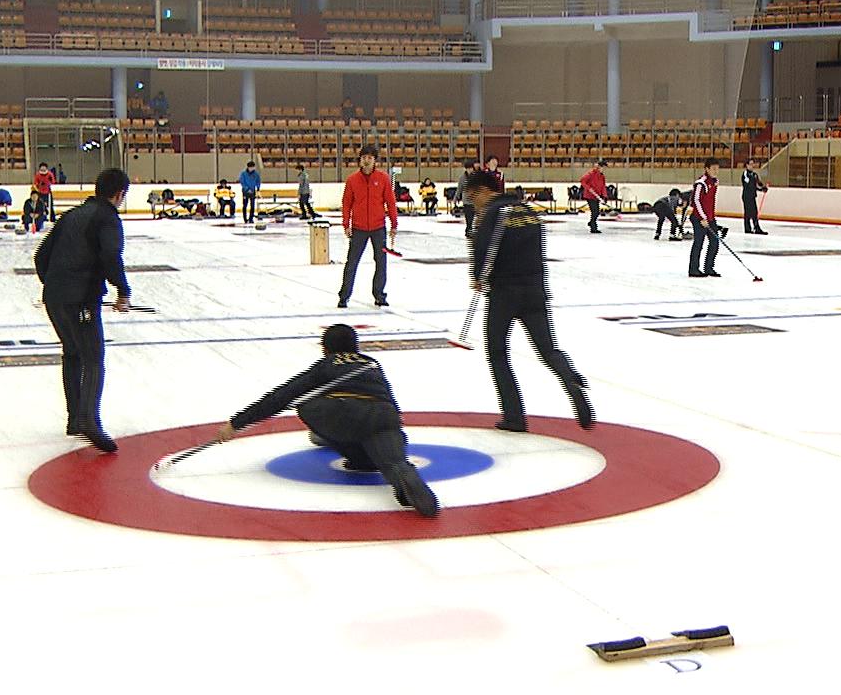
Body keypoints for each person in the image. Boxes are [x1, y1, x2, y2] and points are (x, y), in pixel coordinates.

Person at [213, 324, 438, 518]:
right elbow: (389, 397)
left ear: (325, 348)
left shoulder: (326, 365)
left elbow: (283, 396)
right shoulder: (371, 363)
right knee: (393, 461)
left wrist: (237, 423)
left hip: (342, 413)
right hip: (382, 415)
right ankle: (402, 476)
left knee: (306, 404)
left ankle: (339, 442)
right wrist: (394, 429)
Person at [464, 169, 594, 434]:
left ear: (482, 192)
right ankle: (571, 381)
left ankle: (514, 416)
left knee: (498, 353)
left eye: (472, 197)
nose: (472, 204)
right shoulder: (530, 212)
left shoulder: (492, 215)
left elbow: (484, 250)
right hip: (535, 291)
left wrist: (477, 276)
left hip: (504, 294)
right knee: (549, 350)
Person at [35, 167, 133, 454]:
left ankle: (75, 418)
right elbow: (110, 256)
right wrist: (123, 290)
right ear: (119, 194)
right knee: (92, 357)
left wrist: (55, 284)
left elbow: (41, 256)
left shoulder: (70, 216)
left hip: (55, 298)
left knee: (72, 352)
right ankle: (89, 419)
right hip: (80, 300)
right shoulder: (107, 219)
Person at [339, 144, 398, 309]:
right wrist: (346, 223)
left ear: (374, 161)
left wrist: (394, 224)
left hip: (378, 227)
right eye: (364, 158)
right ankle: (344, 296)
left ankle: (379, 295)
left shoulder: (383, 178)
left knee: (381, 261)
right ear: (360, 160)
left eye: (370, 158)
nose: (366, 161)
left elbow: (390, 202)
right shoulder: (352, 180)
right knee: (352, 262)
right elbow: (346, 204)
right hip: (358, 228)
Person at [688, 159, 722, 278]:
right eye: (713, 169)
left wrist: (710, 217)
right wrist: (702, 217)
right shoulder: (700, 183)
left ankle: (708, 267)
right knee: (699, 242)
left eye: (717, 169)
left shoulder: (715, 182)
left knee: (714, 242)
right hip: (698, 218)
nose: (716, 171)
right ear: (707, 169)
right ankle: (693, 269)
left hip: (710, 218)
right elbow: (696, 201)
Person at [579, 160, 609, 234]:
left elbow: (603, 187)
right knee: (595, 212)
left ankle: (591, 222)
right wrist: (588, 188)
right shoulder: (591, 173)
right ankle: (593, 227)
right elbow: (582, 181)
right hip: (590, 196)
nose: (604, 169)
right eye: (603, 168)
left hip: (597, 196)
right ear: (599, 167)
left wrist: (604, 196)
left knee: (597, 212)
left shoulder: (602, 176)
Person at [741, 159, 768, 235]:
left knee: (754, 212)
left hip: (752, 196)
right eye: (751, 164)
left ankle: (757, 228)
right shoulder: (745, 174)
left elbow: (759, 183)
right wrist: (759, 188)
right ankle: (747, 228)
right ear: (747, 165)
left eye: (753, 164)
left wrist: (763, 188)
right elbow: (749, 185)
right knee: (748, 213)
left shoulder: (755, 175)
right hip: (746, 196)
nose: (752, 165)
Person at [32, 162, 55, 232]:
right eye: (42, 167)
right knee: (41, 207)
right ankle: (42, 218)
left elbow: (53, 181)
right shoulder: (38, 175)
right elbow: (35, 183)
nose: (43, 169)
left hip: (48, 193)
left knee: (50, 206)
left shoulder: (49, 174)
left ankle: (52, 218)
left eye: (44, 167)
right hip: (40, 193)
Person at [239, 158, 262, 223]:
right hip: (245, 191)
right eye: (251, 167)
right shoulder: (243, 174)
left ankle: (251, 218)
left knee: (252, 205)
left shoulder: (256, 174)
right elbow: (242, 182)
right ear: (248, 167)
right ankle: (245, 219)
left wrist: (258, 188)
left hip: (253, 191)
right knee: (245, 205)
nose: (252, 169)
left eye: (253, 167)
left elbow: (258, 181)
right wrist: (247, 189)